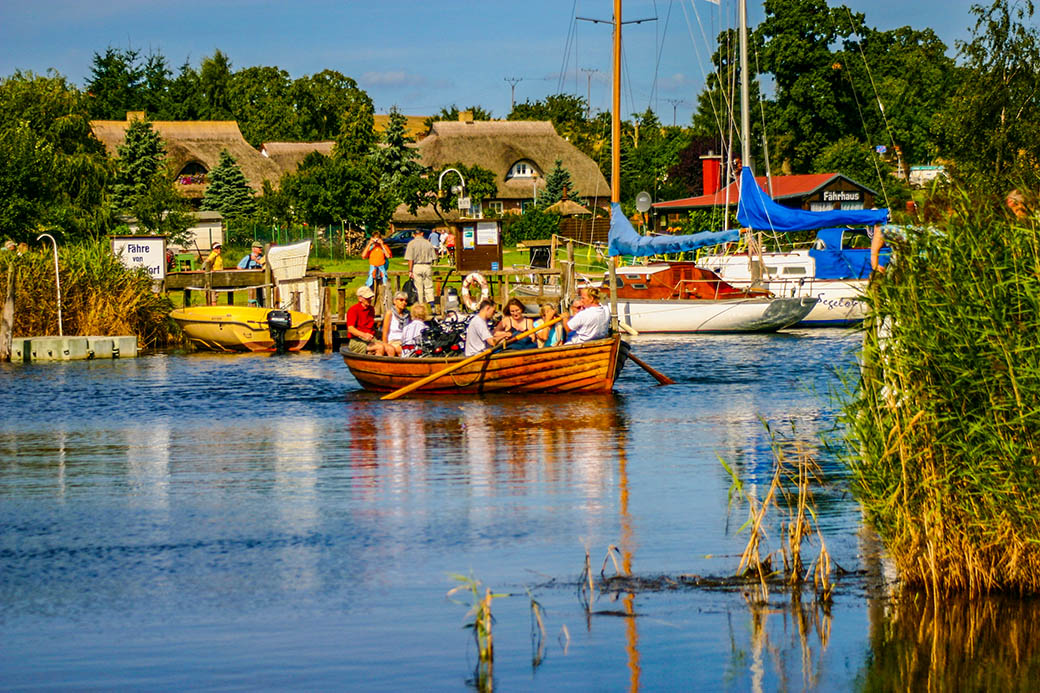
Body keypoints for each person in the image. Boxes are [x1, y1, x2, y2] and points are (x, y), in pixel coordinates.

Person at [346, 286, 389, 355]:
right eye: (367, 298)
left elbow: (371, 327)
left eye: (370, 297)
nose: (370, 299)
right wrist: (364, 335)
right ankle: (374, 361)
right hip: (357, 340)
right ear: (360, 298)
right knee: (379, 347)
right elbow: (350, 329)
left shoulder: (371, 309)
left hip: (371, 338)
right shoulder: (353, 310)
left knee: (390, 348)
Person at [405, 228, 438, 306]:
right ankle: (432, 305)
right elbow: (434, 257)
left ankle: (421, 305)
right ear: (422, 234)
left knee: (419, 288)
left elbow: (410, 259)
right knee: (429, 286)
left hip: (417, 266)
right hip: (427, 266)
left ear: (414, 234)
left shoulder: (411, 243)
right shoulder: (428, 243)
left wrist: (410, 270)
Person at [381, 291, 411, 357]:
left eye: (406, 301)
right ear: (395, 301)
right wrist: (385, 345)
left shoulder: (408, 315)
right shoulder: (390, 313)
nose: (404, 303)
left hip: (405, 341)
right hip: (393, 341)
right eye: (401, 300)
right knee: (402, 350)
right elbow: (385, 332)